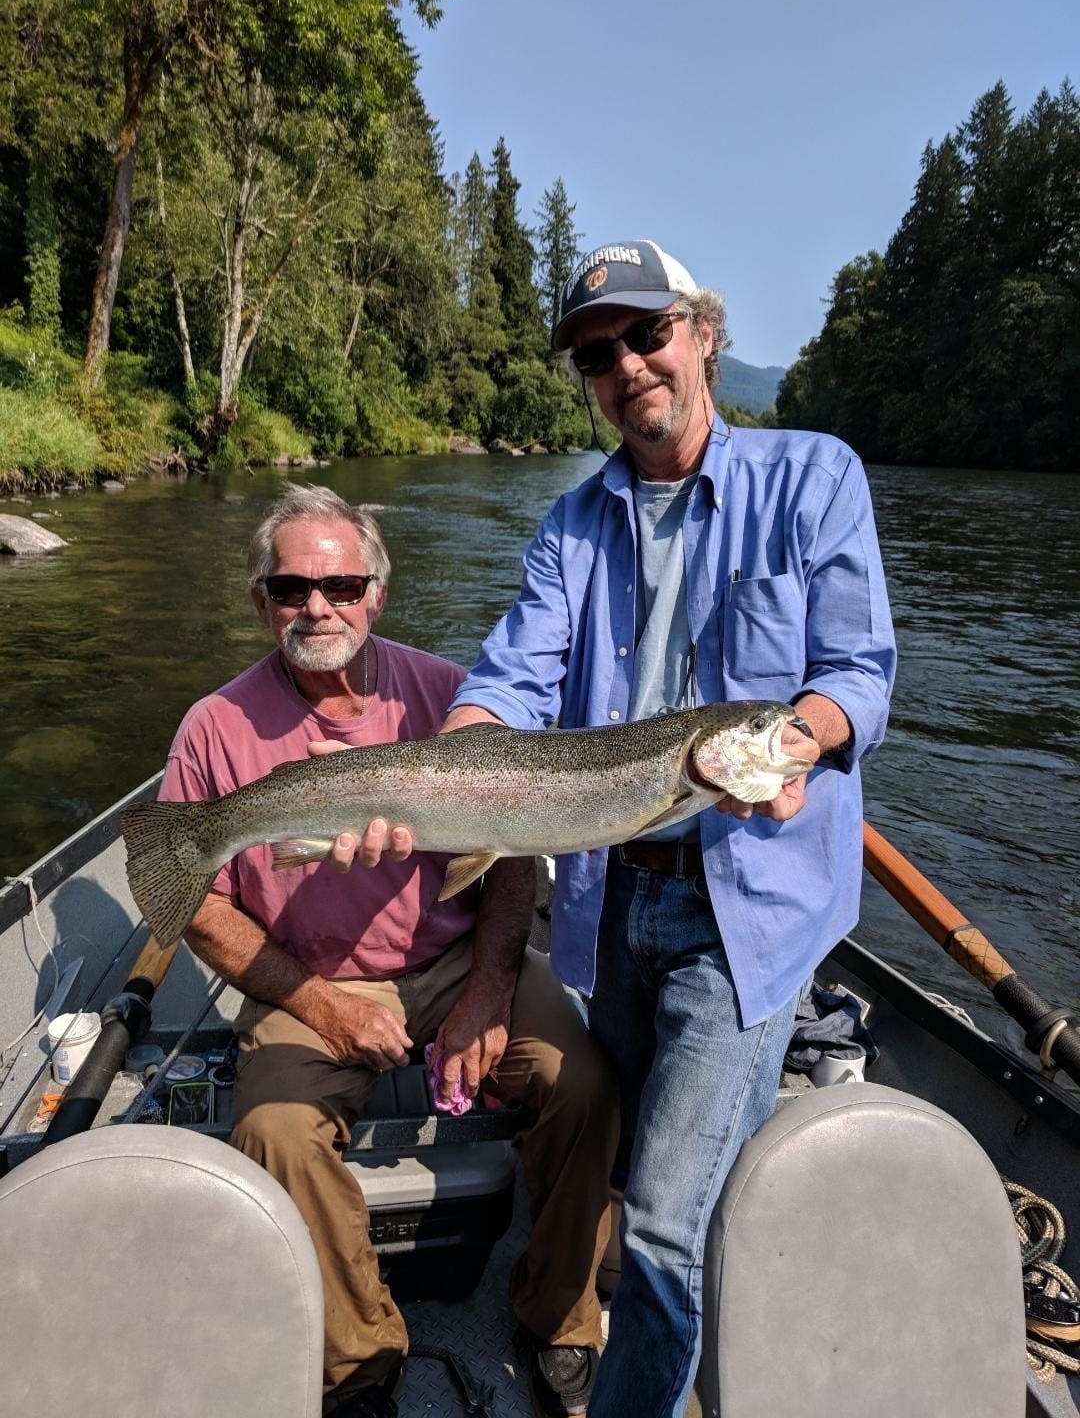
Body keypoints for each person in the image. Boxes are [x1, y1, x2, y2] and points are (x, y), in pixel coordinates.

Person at [367, 240, 897, 1417]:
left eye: (647, 334)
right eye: (599, 355)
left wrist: (798, 741)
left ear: (703, 332)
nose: (628, 367)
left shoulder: (815, 477)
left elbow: (857, 671)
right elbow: (512, 674)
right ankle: (600, 1293)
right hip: (611, 903)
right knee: (625, 1152)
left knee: (664, 1222)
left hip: (745, 909)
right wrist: (438, 777)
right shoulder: (571, 526)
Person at [157, 483, 618, 1418]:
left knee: (586, 1088)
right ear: (261, 601)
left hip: (455, 960)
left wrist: (491, 986)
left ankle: (556, 1316)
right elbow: (198, 908)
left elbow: (512, 861)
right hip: (306, 975)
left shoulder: (454, 697)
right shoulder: (213, 727)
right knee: (274, 1135)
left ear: (376, 594)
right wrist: (324, 1006)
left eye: (340, 585)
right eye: (290, 588)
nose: (315, 607)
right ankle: (362, 1357)